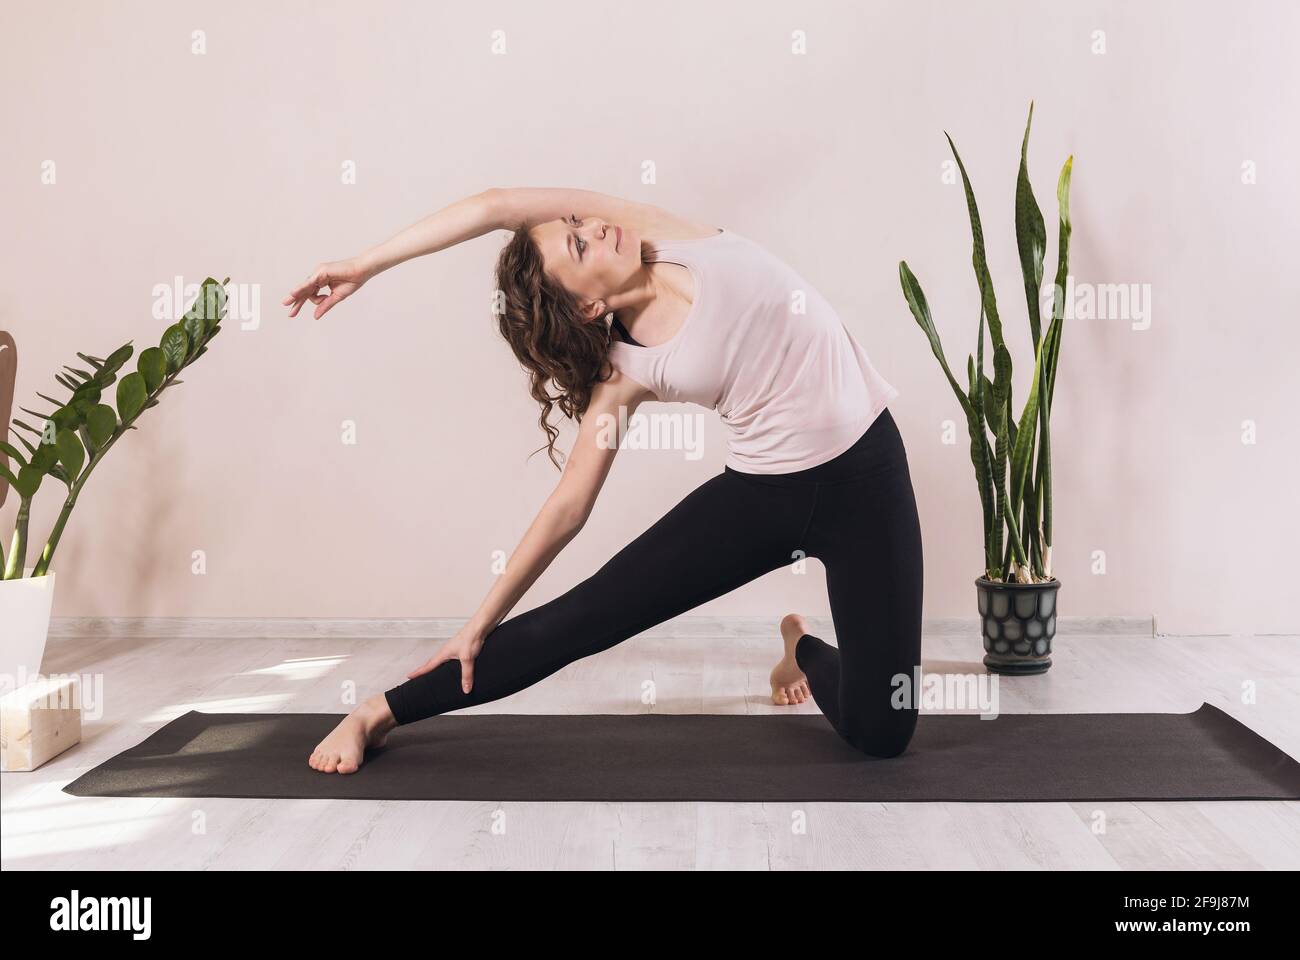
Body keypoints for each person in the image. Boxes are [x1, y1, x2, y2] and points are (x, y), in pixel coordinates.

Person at [283, 188, 924, 774]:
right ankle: (377, 712)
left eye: (576, 223)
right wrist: (480, 621)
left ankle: (802, 647)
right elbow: (569, 507)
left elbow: (494, 207)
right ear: (588, 305)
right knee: (584, 617)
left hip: (868, 476)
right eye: (579, 243)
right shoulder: (623, 373)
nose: (594, 225)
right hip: (765, 498)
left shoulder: (668, 234)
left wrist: (366, 263)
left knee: (882, 733)